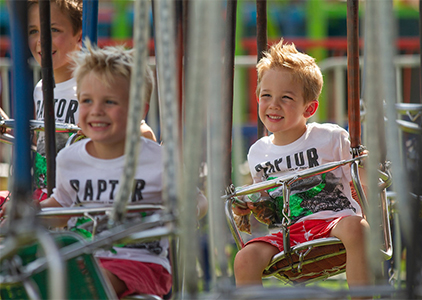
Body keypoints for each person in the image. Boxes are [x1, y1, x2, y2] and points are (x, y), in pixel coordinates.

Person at [34, 41, 171, 298]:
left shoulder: (157, 159)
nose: (96, 111)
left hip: (141, 261)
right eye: (86, 100)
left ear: (137, 111)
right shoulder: (70, 159)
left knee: (88, 282)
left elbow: (195, 197)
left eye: (109, 102)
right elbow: (62, 206)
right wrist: (33, 213)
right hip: (85, 255)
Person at [232, 39, 370, 291]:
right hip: (288, 233)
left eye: (286, 97)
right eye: (266, 95)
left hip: (332, 222)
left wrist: (366, 169)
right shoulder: (257, 152)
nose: (273, 104)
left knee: (358, 227)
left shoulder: (330, 137)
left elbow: (360, 179)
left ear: (310, 108)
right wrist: (246, 205)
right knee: (244, 259)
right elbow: (263, 200)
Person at [28, 0, 83, 200]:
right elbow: (42, 142)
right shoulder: (40, 88)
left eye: (53, 29)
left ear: (80, 35)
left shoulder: (90, 87)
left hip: (77, 195)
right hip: (45, 189)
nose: (42, 39)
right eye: (33, 31)